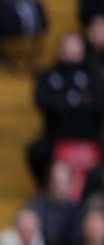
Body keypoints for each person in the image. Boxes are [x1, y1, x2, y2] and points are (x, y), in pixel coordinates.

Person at [26, 33, 104, 187]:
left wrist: (67, 105)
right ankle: (49, 192)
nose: (70, 51)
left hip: (90, 136)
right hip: (57, 136)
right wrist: (76, 103)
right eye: (67, 46)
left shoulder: (94, 76)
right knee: (37, 153)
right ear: (59, 50)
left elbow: (98, 103)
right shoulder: (48, 75)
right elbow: (43, 101)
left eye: (75, 46)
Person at [29, 161, 84, 245]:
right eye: (54, 180)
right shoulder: (35, 207)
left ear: (71, 183)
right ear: (49, 182)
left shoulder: (77, 213)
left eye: (62, 181)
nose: (57, 185)